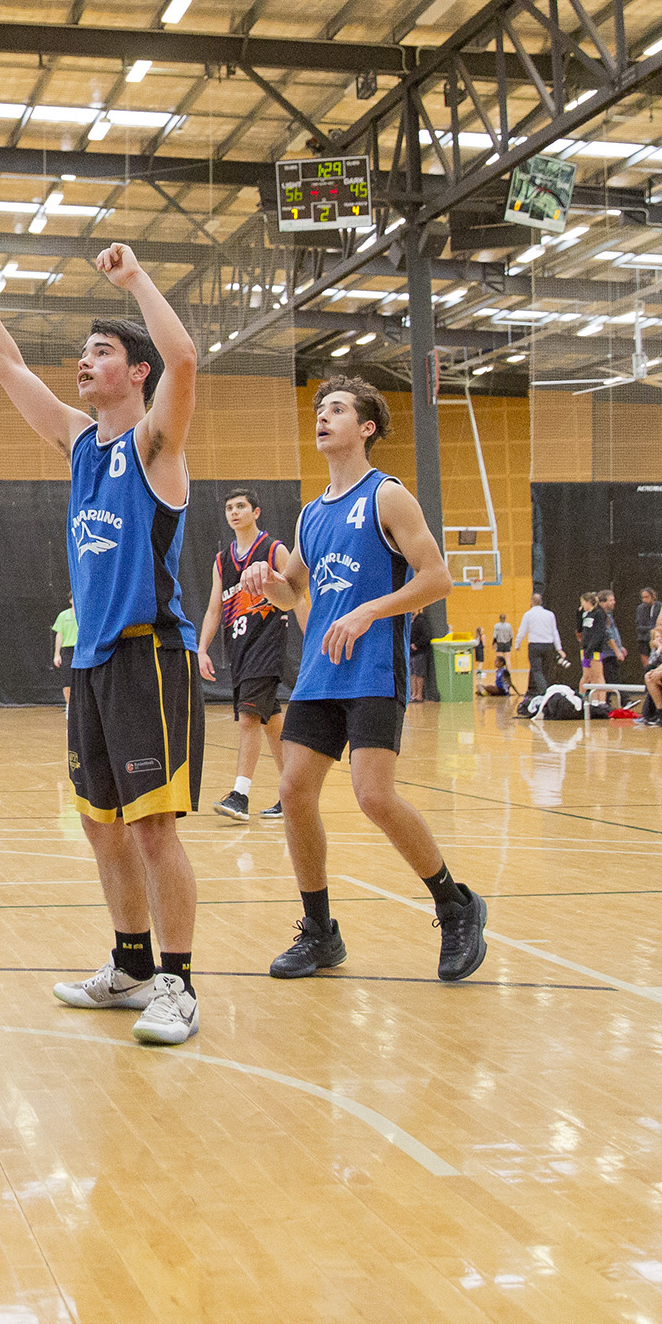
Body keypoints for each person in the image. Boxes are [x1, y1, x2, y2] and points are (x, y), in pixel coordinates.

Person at [0, 226, 206, 1048]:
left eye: (100, 353)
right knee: (102, 824)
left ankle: (180, 983)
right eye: (84, 353)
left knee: (152, 828)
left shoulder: (155, 446)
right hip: (92, 660)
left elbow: (187, 360)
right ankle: (130, 966)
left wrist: (136, 280)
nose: (83, 363)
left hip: (148, 654)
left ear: (134, 373)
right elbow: (4, 366)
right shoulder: (79, 443)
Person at [250, 377, 488, 985]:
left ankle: (455, 905)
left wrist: (369, 609)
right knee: (296, 791)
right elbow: (291, 589)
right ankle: (321, 932)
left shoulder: (388, 497)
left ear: (366, 428)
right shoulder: (311, 513)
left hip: (374, 666)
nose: (322, 418)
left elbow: (436, 580)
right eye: (319, 410)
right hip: (319, 673)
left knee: (373, 796)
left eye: (336, 410)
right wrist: (266, 583)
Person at [201, 487, 294, 821]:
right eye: (229, 507)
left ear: (256, 512)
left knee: (248, 719)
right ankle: (293, 794)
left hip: (266, 648)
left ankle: (240, 794)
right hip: (239, 650)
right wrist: (202, 649)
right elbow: (214, 610)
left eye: (241, 506)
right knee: (273, 724)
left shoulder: (274, 550)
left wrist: (314, 640)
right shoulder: (222, 560)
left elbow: (300, 595)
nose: (234, 512)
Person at [515, 590, 566, 699]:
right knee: (546, 670)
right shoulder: (550, 614)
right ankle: (546, 690)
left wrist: (517, 644)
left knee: (537, 670)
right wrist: (559, 648)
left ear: (531, 602)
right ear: (541, 602)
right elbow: (554, 632)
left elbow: (522, 631)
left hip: (535, 645)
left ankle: (544, 692)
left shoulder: (528, 615)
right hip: (548, 645)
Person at [51, 603, 78, 705]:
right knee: (67, 681)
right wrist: (57, 654)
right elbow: (59, 635)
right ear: (70, 600)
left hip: (82, 650)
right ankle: (70, 707)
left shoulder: (85, 614)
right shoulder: (63, 615)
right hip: (68, 650)